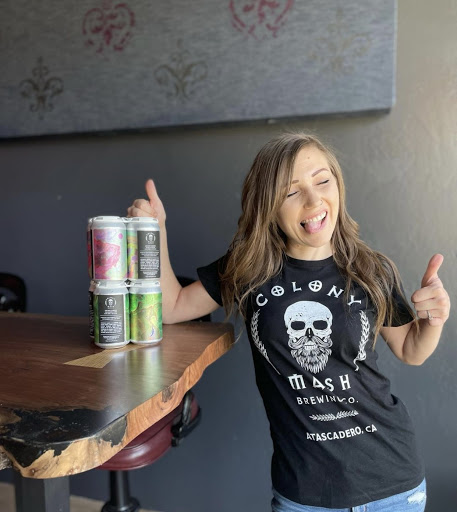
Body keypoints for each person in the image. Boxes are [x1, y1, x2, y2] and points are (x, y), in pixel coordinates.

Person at [127, 132, 450, 512]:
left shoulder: (370, 269)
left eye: (322, 180)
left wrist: (434, 319)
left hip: (392, 482)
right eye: (291, 192)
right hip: (305, 491)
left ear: (338, 185)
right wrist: (154, 233)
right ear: (268, 206)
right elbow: (171, 307)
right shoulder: (249, 269)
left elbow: (411, 350)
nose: (313, 201)